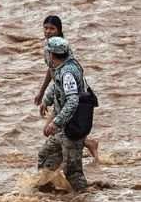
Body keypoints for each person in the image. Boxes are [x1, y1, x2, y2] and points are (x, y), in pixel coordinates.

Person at [34, 15, 99, 160]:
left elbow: (63, 75)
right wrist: (44, 95)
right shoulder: (49, 49)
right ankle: (85, 145)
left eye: (52, 28)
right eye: (46, 28)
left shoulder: (64, 51)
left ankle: (83, 146)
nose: (48, 31)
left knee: (58, 130)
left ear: (59, 30)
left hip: (72, 95)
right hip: (60, 94)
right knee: (51, 131)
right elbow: (52, 71)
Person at [38, 37, 89, 191]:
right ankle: (49, 194)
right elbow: (57, 87)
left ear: (52, 55)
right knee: (46, 156)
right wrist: (46, 100)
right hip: (62, 129)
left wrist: (55, 122)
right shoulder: (62, 68)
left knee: (73, 172)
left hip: (71, 128)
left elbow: (72, 100)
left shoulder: (68, 73)